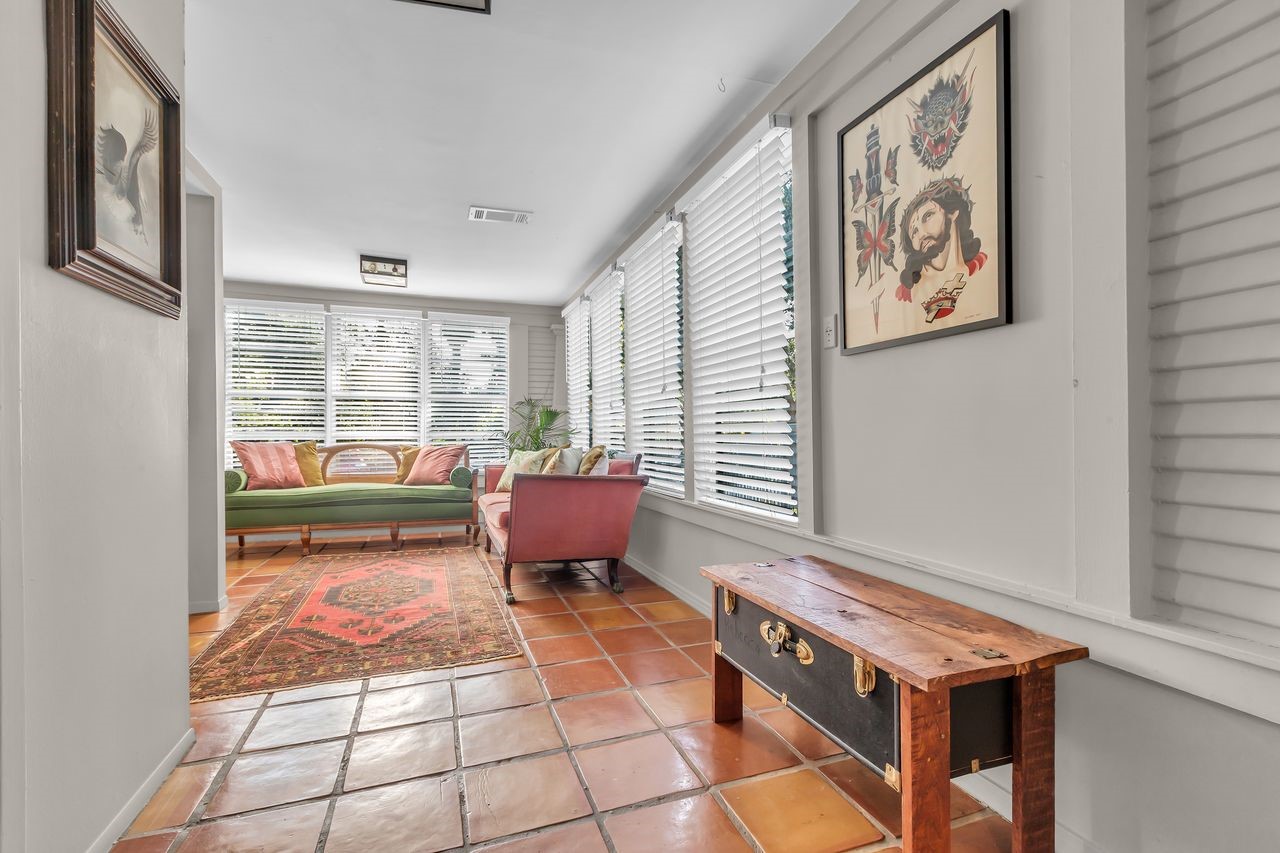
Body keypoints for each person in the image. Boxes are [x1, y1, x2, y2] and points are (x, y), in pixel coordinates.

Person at [896, 177, 986, 304]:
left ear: (953, 212)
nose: (921, 234)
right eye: (914, 232)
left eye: (928, 216)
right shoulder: (907, 293)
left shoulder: (982, 267)